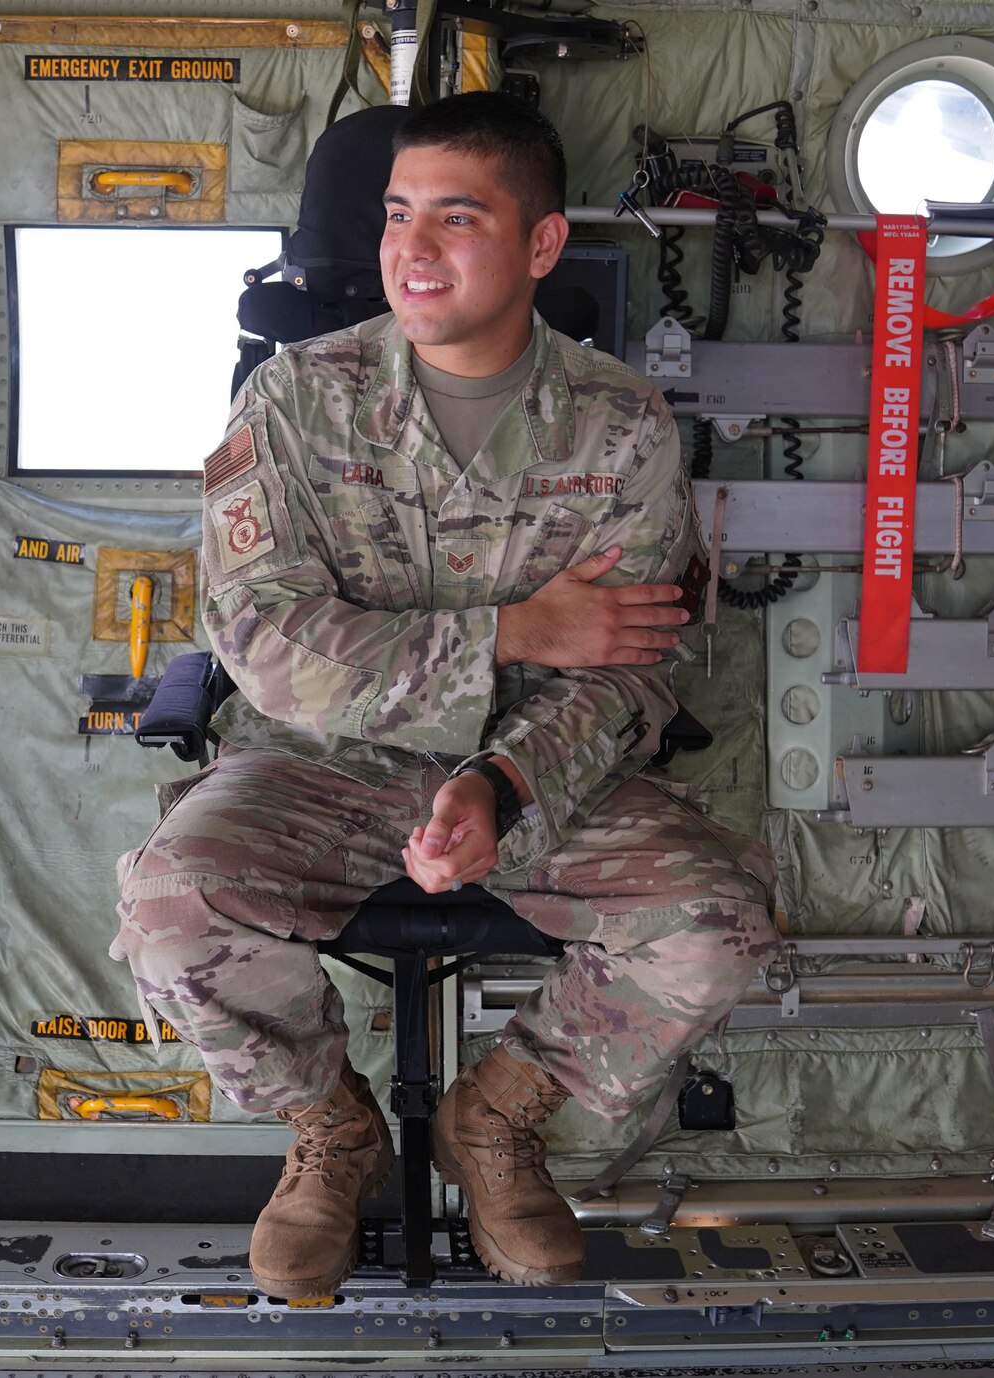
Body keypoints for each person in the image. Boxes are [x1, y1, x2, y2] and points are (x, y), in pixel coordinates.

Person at [113, 91, 776, 1296]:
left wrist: (500, 781)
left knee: (715, 919)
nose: (409, 253)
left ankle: (496, 1118)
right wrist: (516, 629)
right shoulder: (293, 401)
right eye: (395, 215)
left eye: (455, 219)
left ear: (539, 245)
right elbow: (264, 645)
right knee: (170, 904)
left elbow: (631, 672)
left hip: (542, 774)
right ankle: (330, 1129)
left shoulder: (621, 427)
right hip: (318, 764)